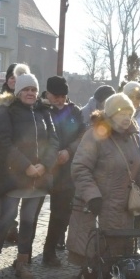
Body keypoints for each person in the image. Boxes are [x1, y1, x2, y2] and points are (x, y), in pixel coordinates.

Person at [67, 93, 140, 279]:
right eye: (121, 113)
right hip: (96, 206)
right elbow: (80, 168)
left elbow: (139, 169)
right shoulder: (95, 135)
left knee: (113, 251)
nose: (126, 117)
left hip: (121, 207)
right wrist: (92, 195)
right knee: (93, 250)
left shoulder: (132, 136)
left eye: (129, 113)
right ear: (111, 114)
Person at [0, 73, 58, 279]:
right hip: (15, 177)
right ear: (18, 92)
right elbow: (3, 143)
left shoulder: (44, 112)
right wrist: (26, 166)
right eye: (26, 89)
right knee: (5, 220)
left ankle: (22, 264)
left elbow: (53, 141)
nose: (30, 93)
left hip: (39, 177)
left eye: (33, 89)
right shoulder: (6, 111)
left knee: (28, 222)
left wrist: (44, 164)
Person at [0, 62, 29, 246]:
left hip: (20, 159)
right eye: (12, 77)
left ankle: (11, 229)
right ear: (7, 79)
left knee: (14, 195)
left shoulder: (27, 102)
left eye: (19, 77)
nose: (14, 80)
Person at [40, 75, 84, 266]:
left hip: (66, 170)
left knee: (60, 213)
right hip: (42, 168)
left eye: (63, 96)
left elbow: (83, 134)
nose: (59, 100)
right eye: (55, 96)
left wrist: (69, 151)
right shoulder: (40, 109)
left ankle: (50, 251)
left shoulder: (74, 111)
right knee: (31, 213)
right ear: (48, 94)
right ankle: (22, 255)